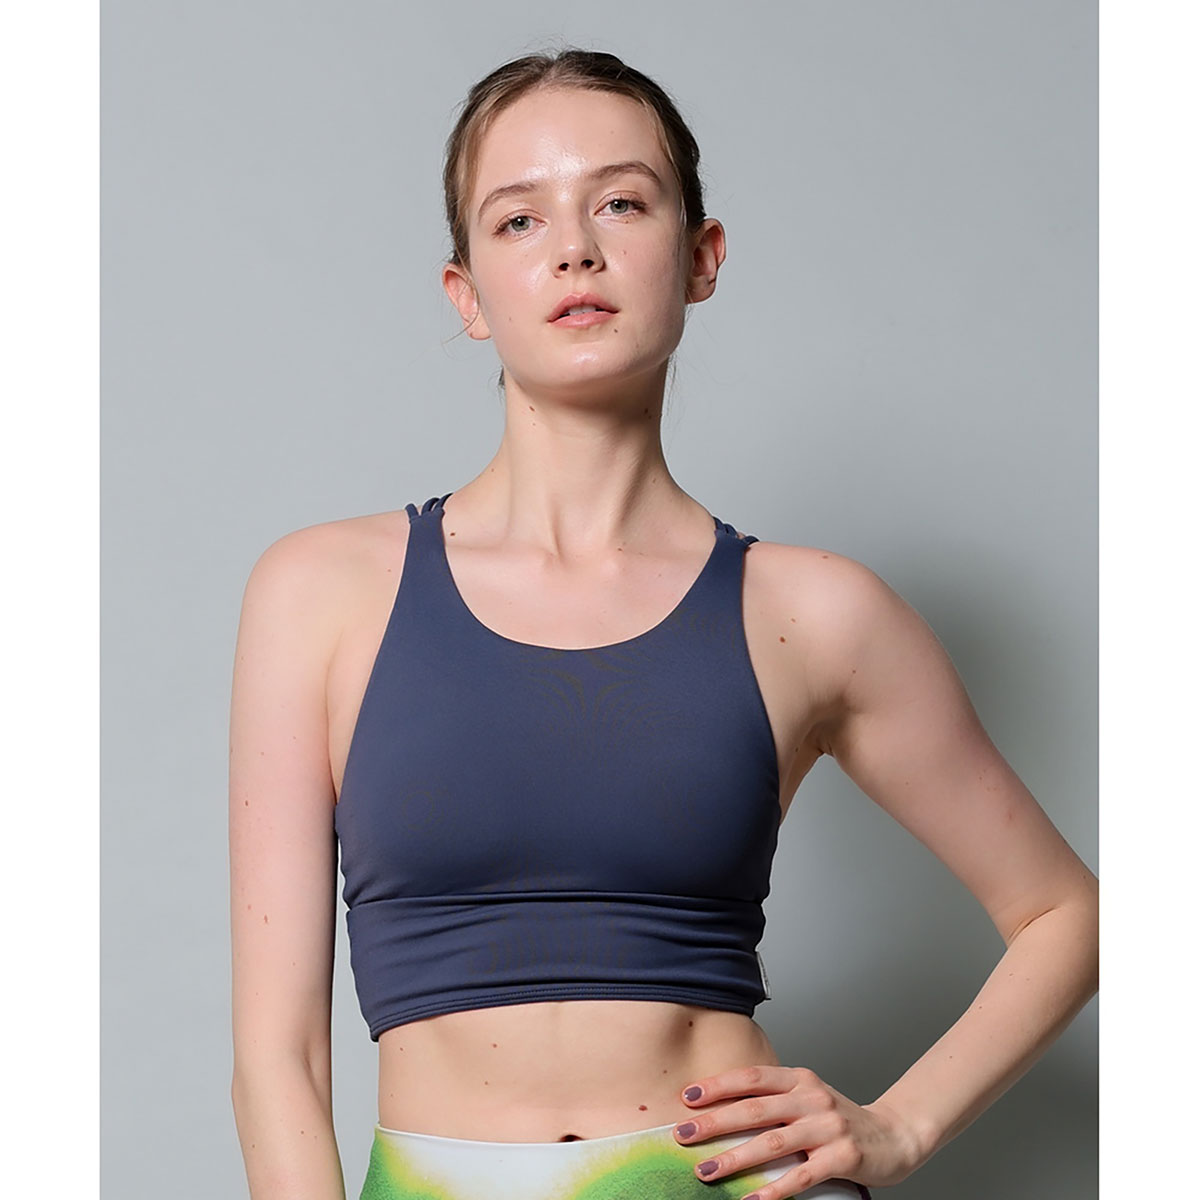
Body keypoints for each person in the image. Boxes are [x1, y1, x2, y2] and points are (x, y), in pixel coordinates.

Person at [228, 47, 1099, 1200]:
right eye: (520, 219)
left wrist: (899, 1126)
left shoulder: (812, 612)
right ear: (467, 294)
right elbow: (278, 1060)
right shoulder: (321, 593)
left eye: (622, 203)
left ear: (700, 257)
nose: (575, 249)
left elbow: (1064, 914)